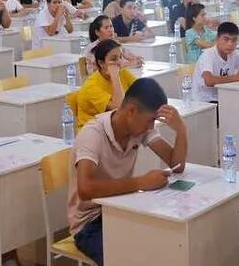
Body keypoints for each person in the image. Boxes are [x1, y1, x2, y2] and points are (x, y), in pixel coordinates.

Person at [69, 78, 187, 265]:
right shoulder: (92, 134)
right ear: (131, 111)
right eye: (150, 120)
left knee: (165, 244)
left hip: (121, 209)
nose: (151, 127)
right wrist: (141, 183)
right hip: (90, 223)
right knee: (129, 258)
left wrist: (181, 130)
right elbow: (85, 189)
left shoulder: (140, 129)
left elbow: (177, 165)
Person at [192, 22, 239, 102]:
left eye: (234, 40)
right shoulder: (208, 55)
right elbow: (208, 81)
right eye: (225, 39)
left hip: (224, 96)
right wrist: (237, 77)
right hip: (205, 101)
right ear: (217, 39)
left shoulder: (233, 55)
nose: (230, 44)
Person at [77, 39, 137, 129]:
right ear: (101, 63)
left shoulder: (123, 72)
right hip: (92, 130)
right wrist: (115, 77)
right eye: (114, 59)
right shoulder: (90, 86)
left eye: (120, 57)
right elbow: (118, 107)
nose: (120, 62)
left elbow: (143, 91)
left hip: (114, 126)